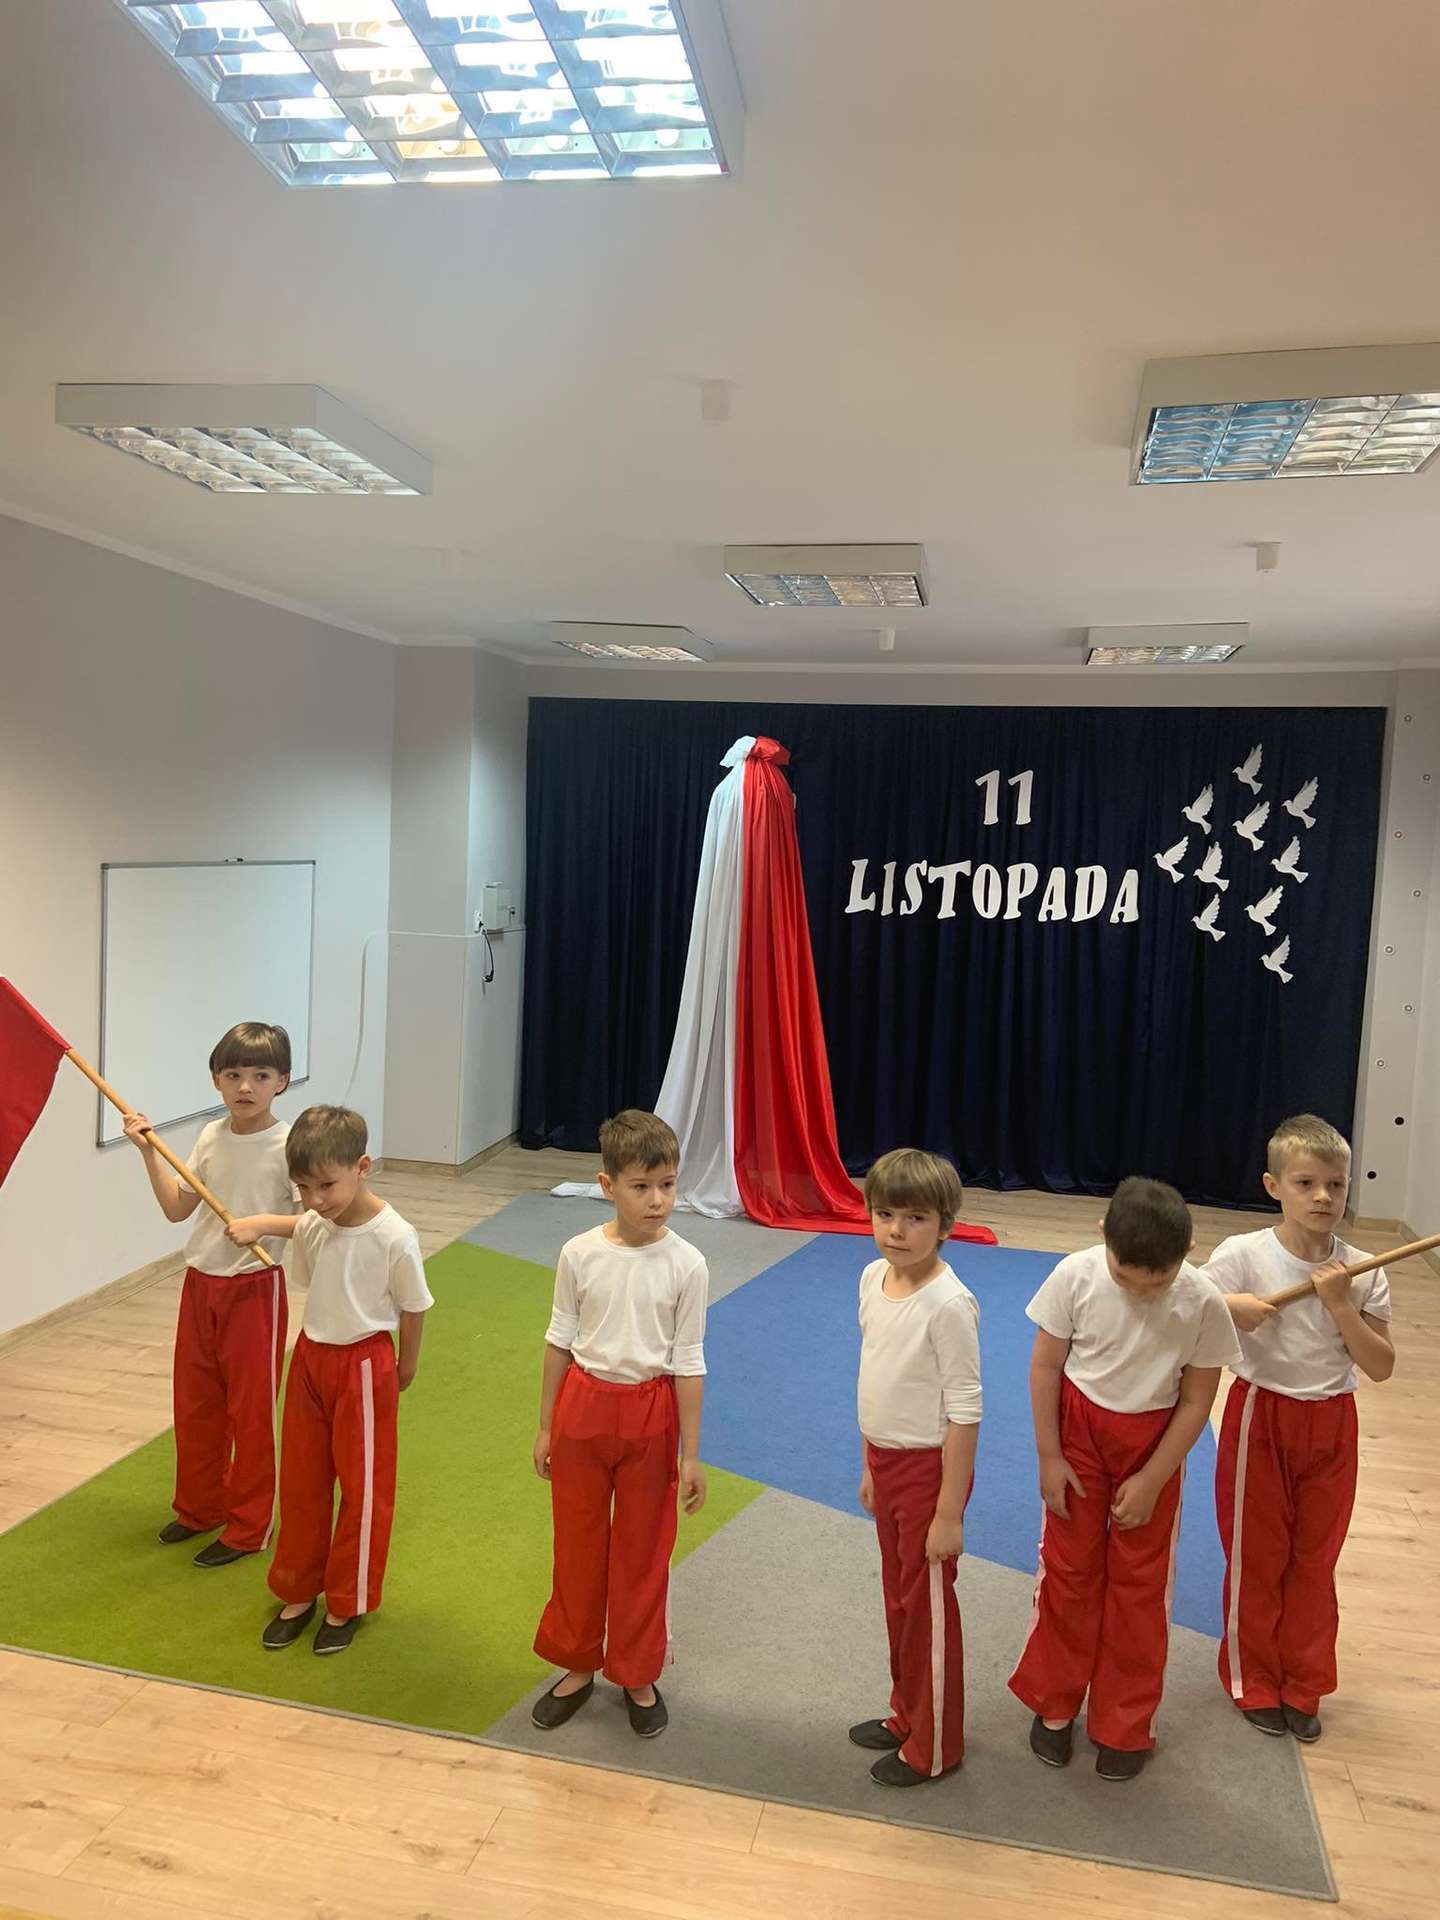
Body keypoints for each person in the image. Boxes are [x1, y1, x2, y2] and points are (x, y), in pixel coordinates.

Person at [1008, 1177, 1241, 1781]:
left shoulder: (1203, 1300)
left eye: (1156, 1281)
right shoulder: (1076, 1275)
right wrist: (1049, 1456)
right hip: (1078, 1435)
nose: (1140, 1291)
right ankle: (1055, 1702)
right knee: (1068, 1571)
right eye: (1125, 1276)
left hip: (1153, 1442)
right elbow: (1045, 1365)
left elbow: (1197, 1400)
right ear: (1102, 1239)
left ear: (1187, 1253)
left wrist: (1155, 1478)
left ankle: (1124, 1721)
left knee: (1140, 1586)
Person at [1205, 1114, 1394, 1742]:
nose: (1322, 1197)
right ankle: (1253, 1677)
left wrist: (1341, 1305)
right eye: (1305, 1183)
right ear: (1273, 1186)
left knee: (1315, 1561)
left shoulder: (1366, 1267)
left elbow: (1381, 1366)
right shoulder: (1243, 1255)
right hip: (1262, 1415)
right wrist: (1229, 1307)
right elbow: (1185, 1310)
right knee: (1257, 1557)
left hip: (1333, 1422)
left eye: (1335, 1185)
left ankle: (1303, 1681)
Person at [229, 1104, 432, 1655]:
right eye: (303, 1188)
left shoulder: (395, 1236)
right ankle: (298, 1589)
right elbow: (307, 1246)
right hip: (311, 1358)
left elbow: (414, 1308)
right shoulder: (316, 1225)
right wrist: (264, 1222)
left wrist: (405, 1366)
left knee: (363, 1488)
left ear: (362, 1167)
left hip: (365, 1364)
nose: (315, 1199)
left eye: (326, 1185)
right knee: (302, 1481)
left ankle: (348, 1599)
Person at [530, 1110, 707, 1740]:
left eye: (667, 1184)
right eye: (641, 1186)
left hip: (651, 1414)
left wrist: (691, 1454)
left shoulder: (688, 1264)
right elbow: (559, 1340)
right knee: (578, 1545)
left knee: (642, 1551)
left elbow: (689, 1362)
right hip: (582, 1408)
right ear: (607, 1186)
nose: (657, 1200)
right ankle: (577, 1662)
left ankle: (636, 1670)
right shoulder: (579, 1253)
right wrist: (546, 1426)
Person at [123, 1022, 295, 1568]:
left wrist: (262, 1224)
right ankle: (201, 1508)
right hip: (200, 1285)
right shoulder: (210, 1136)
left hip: (256, 1290)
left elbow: (318, 1219)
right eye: (233, 1074)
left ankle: (249, 1526)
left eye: (260, 1075)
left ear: (282, 1081)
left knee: (251, 1414)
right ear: (216, 1080)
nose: (245, 1086)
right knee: (196, 1405)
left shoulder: (291, 1145)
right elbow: (177, 1208)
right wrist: (149, 1152)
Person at [850, 1148, 980, 1788]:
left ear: (945, 1225)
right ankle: (907, 1712)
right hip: (887, 1462)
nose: (896, 1230)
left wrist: (949, 1514)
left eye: (916, 1218)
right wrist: (870, 1465)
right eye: (885, 1215)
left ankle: (935, 1748)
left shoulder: (949, 1305)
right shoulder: (872, 1278)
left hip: (930, 1473)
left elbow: (965, 1412)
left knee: (927, 1610)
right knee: (898, 1600)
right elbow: (876, 1375)